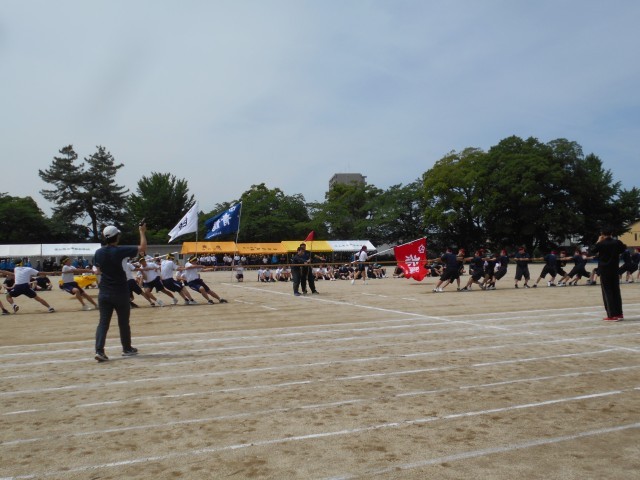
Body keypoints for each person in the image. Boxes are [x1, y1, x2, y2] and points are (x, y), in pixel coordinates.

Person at [94, 223, 147, 362]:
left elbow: (98, 271)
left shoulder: (98, 252)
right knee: (123, 322)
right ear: (117, 237)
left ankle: (99, 351)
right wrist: (142, 231)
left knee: (103, 323)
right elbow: (142, 248)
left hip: (104, 291)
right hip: (120, 291)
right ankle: (127, 348)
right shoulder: (120, 250)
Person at [591, 228, 626, 321]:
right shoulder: (617, 242)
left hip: (604, 269)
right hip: (614, 269)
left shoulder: (601, 243)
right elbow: (623, 249)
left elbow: (592, 251)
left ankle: (612, 315)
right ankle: (619, 313)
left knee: (607, 292)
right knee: (616, 291)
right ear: (612, 233)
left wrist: (598, 241)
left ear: (602, 234)